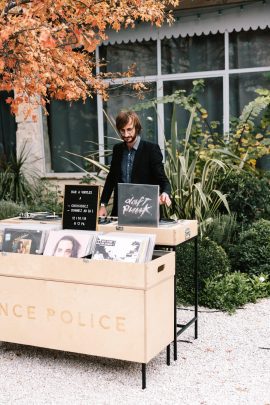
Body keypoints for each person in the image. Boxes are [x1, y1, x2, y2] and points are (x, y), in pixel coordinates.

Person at [98, 110, 171, 217]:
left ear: (137, 128)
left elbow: (163, 180)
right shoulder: (117, 149)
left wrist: (165, 193)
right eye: (122, 130)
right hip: (120, 211)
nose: (126, 134)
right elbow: (111, 179)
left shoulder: (151, 149)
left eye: (129, 129)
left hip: (145, 211)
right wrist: (103, 204)